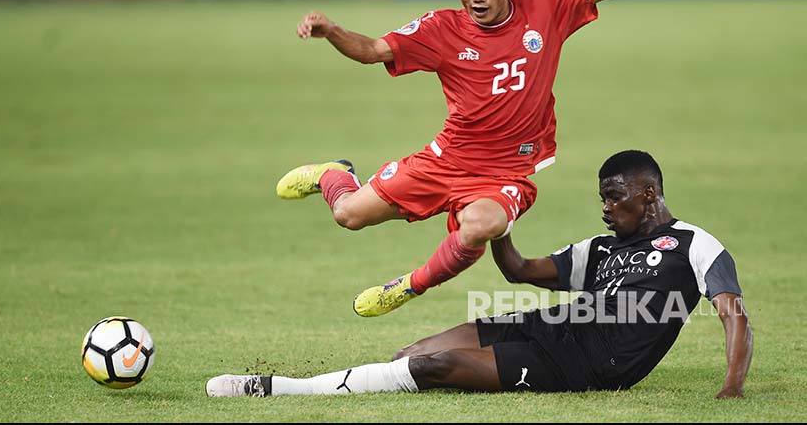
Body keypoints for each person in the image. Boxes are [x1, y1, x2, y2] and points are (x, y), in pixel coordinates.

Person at [277, 0, 719, 318]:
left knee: (482, 225)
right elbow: (373, 49)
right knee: (348, 215)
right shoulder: (440, 30)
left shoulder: (546, 9)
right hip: (445, 161)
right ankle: (335, 174)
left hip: (506, 174)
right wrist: (332, 31)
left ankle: (408, 286)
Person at [207, 150, 752, 398]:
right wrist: (499, 210)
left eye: (615, 198)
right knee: (409, 357)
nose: (606, 209)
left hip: (585, 362)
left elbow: (733, 315)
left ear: (649, 194)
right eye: (603, 199)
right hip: (550, 325)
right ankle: (338, 176)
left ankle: (276, 389)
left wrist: (731, 388)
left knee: (437, 367)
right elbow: (516, 269)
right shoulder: (601, 248)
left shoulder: (693, 244)